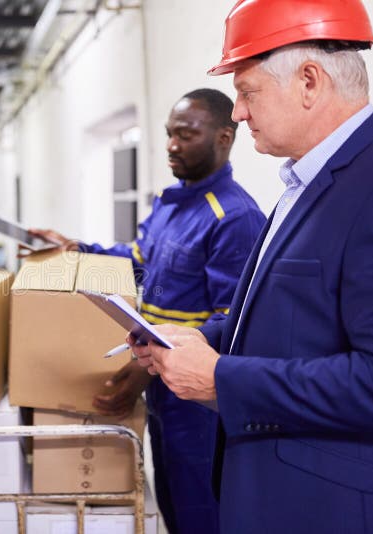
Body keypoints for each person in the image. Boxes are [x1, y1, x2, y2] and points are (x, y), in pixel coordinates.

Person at [134, 1, 373, 532]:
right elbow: (293, 322)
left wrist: (221, 380)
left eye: (247, 92)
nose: (236, 113)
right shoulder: (303, 184)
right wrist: (201, 340)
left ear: (309, 81)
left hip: (332, 510)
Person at [31, 89, 265, 534]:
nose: (173, 145)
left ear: (224, 137)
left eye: (186, 134)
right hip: (160, 384)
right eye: (169, 134)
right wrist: (77, 247)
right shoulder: (170, 204)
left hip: (199, 401)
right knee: (172, 504)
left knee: (202, 509)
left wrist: (146, 369)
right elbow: (139, 261)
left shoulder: (233, 217)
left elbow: (232, 326)